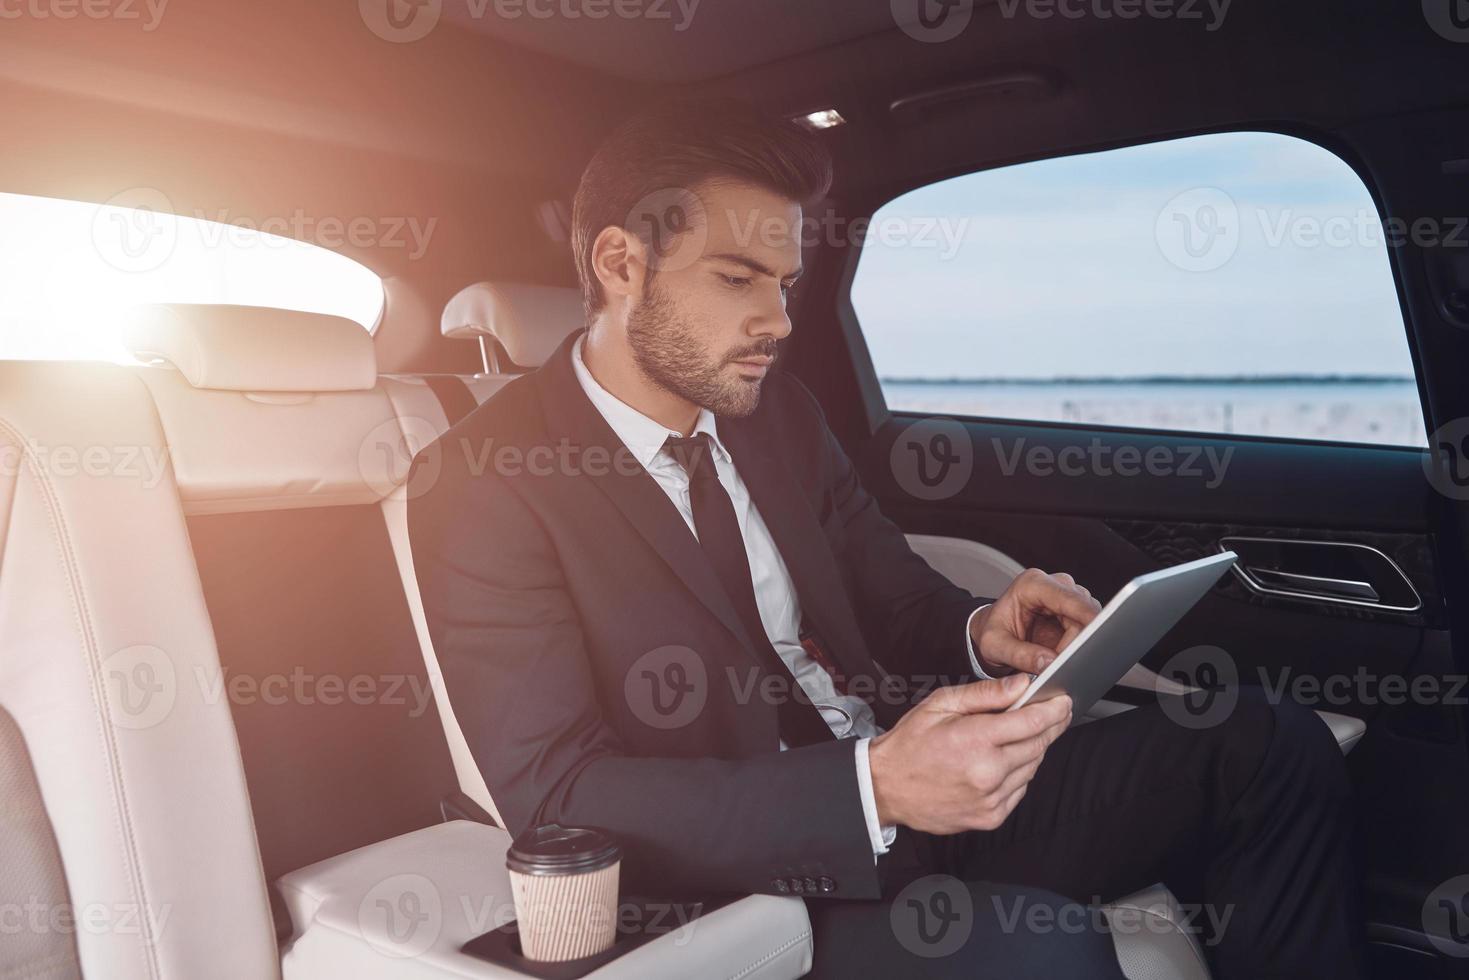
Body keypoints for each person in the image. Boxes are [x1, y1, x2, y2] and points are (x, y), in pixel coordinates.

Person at [409, 101, 1364, 978]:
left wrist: (983, 628)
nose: (777, 322)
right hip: (755, 888)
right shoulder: (484, 481)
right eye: (737, 279)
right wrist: (870, 792)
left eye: (783, 283)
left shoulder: (773, 413)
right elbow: (560, 792)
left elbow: (891, 595)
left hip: (926, 787)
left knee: (1261, 737)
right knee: (1045, 956)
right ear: (621, 265)